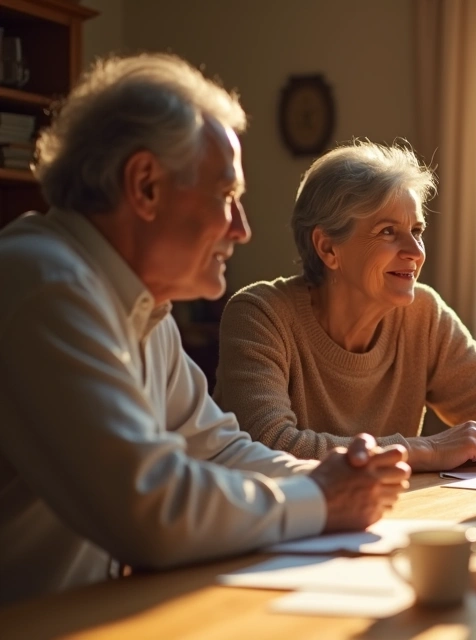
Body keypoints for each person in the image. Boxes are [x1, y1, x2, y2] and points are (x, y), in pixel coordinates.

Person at [0, 54, 409, 605]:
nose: (241, 230)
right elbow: (150, 509)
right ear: (145, 185)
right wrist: (321, 498)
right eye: (226, 196)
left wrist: (335, 473)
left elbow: (215, 449)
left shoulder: (142, 306)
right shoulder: (44, 285)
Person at [212, 141, 476, 471]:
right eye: (388, 231)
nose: (416, 252)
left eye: (416, 230)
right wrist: (427, 450)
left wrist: (475, 445)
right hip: (277, 522)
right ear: (328, 248)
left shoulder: (423, 315)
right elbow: (267, 445)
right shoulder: (260, 315)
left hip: (382, 516)